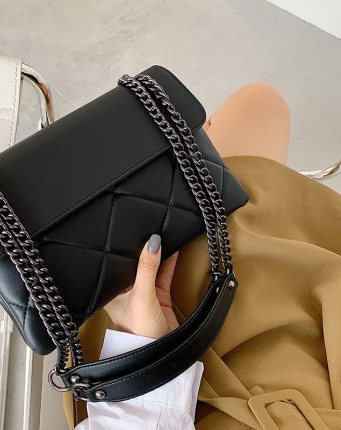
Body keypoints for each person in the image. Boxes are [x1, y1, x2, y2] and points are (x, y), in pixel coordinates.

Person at [69, 83, 341, 429]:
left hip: (173, 362)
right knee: (256, 107)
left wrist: (146, 348)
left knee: (255, 107)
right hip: (305, 355)